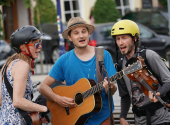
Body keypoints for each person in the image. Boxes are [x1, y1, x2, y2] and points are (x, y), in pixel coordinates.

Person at [39, 16, 117, 125]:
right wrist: (58, 99)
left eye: (83, 31)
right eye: (76, 33)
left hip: (102, 117)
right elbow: (43, 87)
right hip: (74, 118)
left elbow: (112, 91)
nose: (81, 36)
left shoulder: (102, 55)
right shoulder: (64, 60)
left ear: (89, 33)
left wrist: (111, 88)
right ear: (70, 37)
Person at [111, 19, 170, 125]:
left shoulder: (149, 56)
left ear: (134, 38)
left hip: (162, 119)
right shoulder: (121, 66)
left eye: (124, 38)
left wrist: (159, 93)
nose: (120, 42)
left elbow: (168, 80)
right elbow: (125, 95)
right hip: (140, 121)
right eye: (118, 39)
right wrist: (122, 117)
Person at [0, 25, 48, 125]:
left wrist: (34, 114)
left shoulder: (7, 65)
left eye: (40, 42)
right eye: (35, 44)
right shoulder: (22, 65)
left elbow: (1, 99)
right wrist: (43, 108)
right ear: (23, 47)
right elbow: (17, 101)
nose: (39, 46)